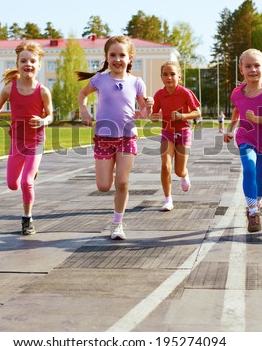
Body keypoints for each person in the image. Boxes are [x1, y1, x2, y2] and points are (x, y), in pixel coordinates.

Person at [77, 36, 153, 240]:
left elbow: (144, 114)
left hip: (127, 137)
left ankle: (117, 223)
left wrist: (149, 105)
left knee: (122, 183)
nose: (117, 59)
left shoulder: (137, 82)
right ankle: (109, 170)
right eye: (113, 55)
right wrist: (83, 110)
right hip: (104, 137)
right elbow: (82, 94)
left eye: (122, 55)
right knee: (103, 186)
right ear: (106, 57)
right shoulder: (99, 79)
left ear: (130, 58)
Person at [0, 42, 53, 235]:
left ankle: (27, 219)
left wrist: (44, 121)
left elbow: (51, 115)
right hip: (17, 143)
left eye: (32, 61)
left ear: (39, 65)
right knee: (13, 184)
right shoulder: (9, 89)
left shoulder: (43, 91)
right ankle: (31, 173)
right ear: (18, 63)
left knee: (26, 183)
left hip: (36, 143)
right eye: (23, 60)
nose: (28, 64)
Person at [224, 49, 262, 233]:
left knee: (261, 179)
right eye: (248, 66)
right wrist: (231, 129)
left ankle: (256, 203)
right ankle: (252, 212)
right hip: (245, 137)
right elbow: (237, 109)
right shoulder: (237, 92)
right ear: (241, 69)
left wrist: (256, 118)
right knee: (249, 168)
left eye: (257, 65)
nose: (253, 69)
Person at [150, 61, 201, 212]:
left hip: (183, 132)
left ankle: (184, 174)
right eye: (165, 74)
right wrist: (153, 115)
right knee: (165, 165)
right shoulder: (159, 95)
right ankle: (168, 200)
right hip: (167, 133)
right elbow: (153, 116)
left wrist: (182, 116)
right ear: (161, 77)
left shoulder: (185, 92)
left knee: (179, 170)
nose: (169, 77)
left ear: (179, 76)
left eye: (172, 74)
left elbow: (197, 112)